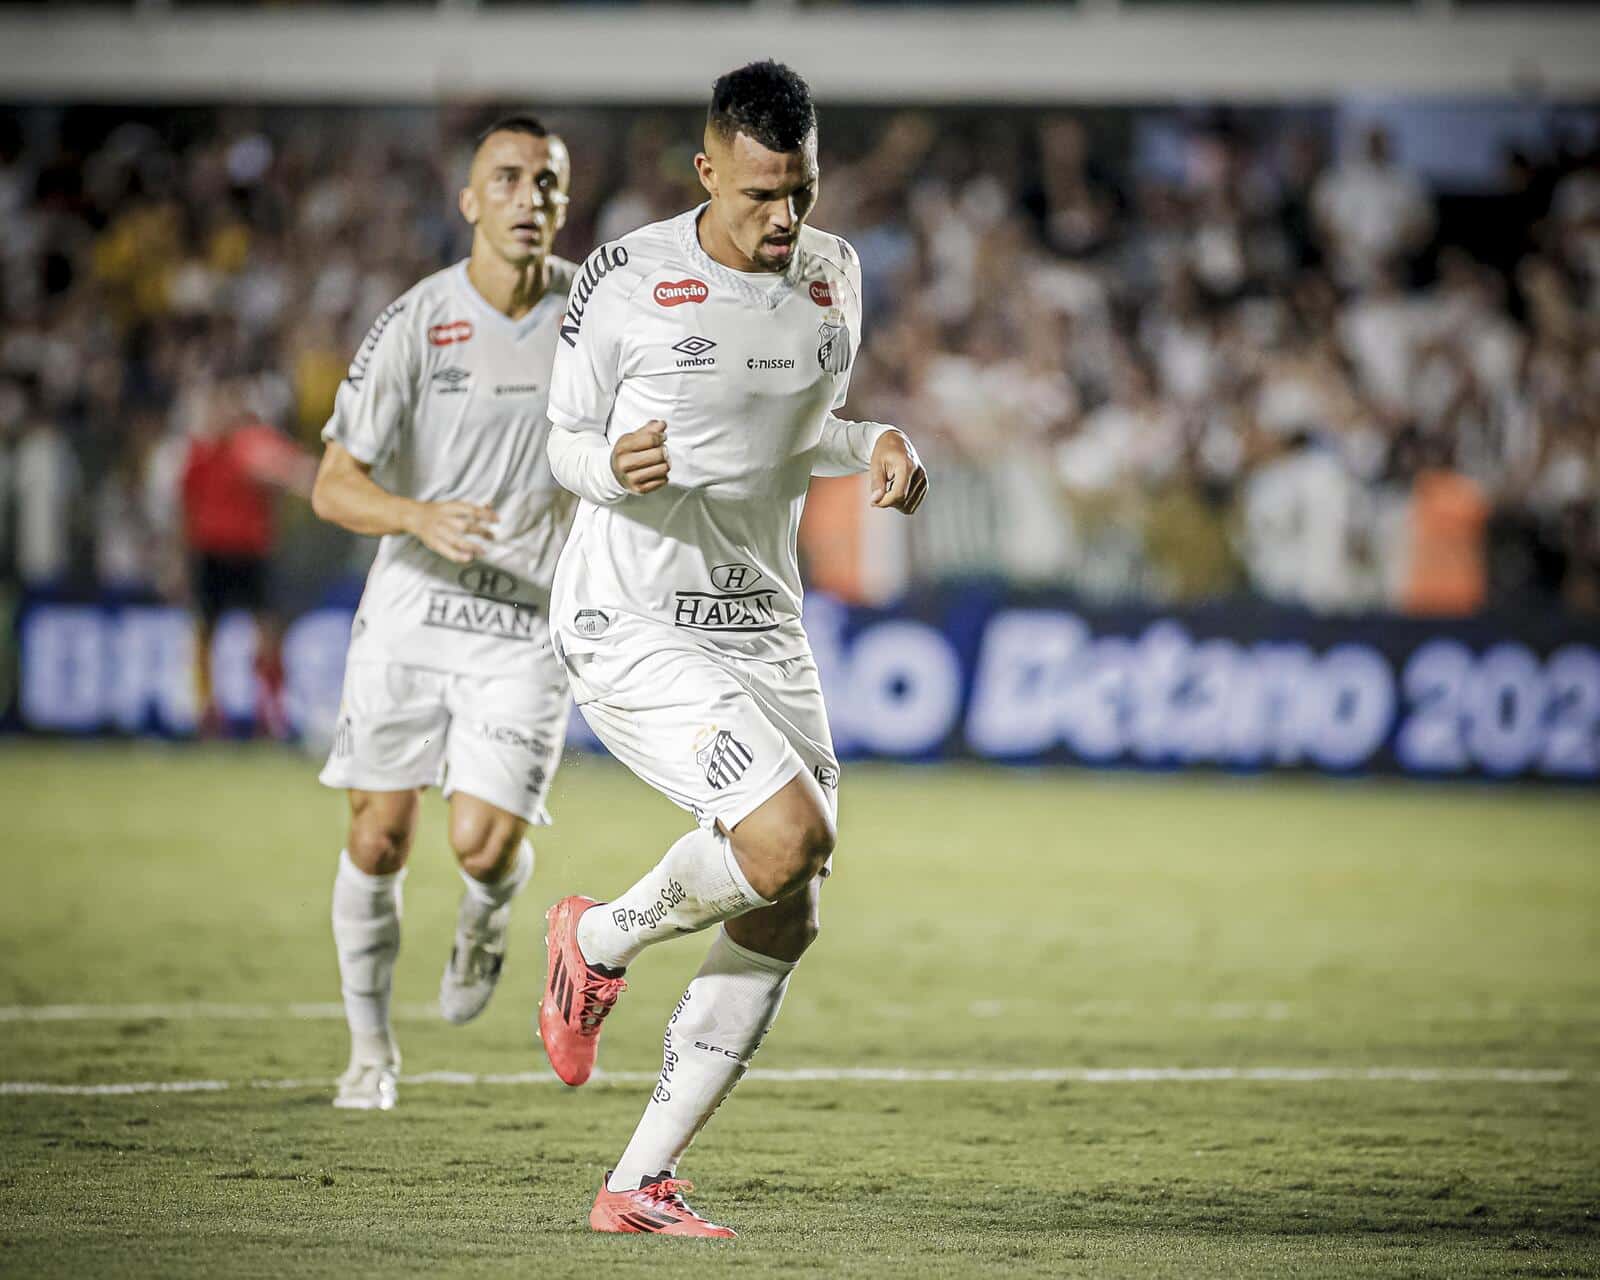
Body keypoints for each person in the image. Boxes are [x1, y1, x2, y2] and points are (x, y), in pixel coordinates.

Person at [539, 62, 929, 1237]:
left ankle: (635, 1180)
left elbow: (788, 435)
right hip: (631, 612)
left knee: (789, 899)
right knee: (787, 834)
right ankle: (595, 937)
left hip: (758, 614)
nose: (784, 220)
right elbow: (560, 437)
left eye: (800, 192)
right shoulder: (625, 278)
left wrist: (876, 442)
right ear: (705, 170)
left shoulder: (833, 275)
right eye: (760, 194)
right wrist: (611, 466)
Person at [310, 115, 578, 1111]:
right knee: (379, 836)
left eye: (545, 182)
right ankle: (370, 1053)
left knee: (483, 843)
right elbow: (334, 484)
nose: (528, 198)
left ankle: (489, 911)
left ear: (564, 199)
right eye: (506, 179)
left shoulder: (597, 312)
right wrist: (416, 513)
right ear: (469, 200)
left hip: (528, 620)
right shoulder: (419, 321)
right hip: (415, 600)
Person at [179, 372, 315, 738]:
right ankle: (207, 713)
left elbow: (295, 472)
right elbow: (186, 509)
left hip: (251, 553)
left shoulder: (255, 445)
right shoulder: (200, 454)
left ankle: (269, 712)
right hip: (210, 552)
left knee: (267, 634)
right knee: (206, 635)